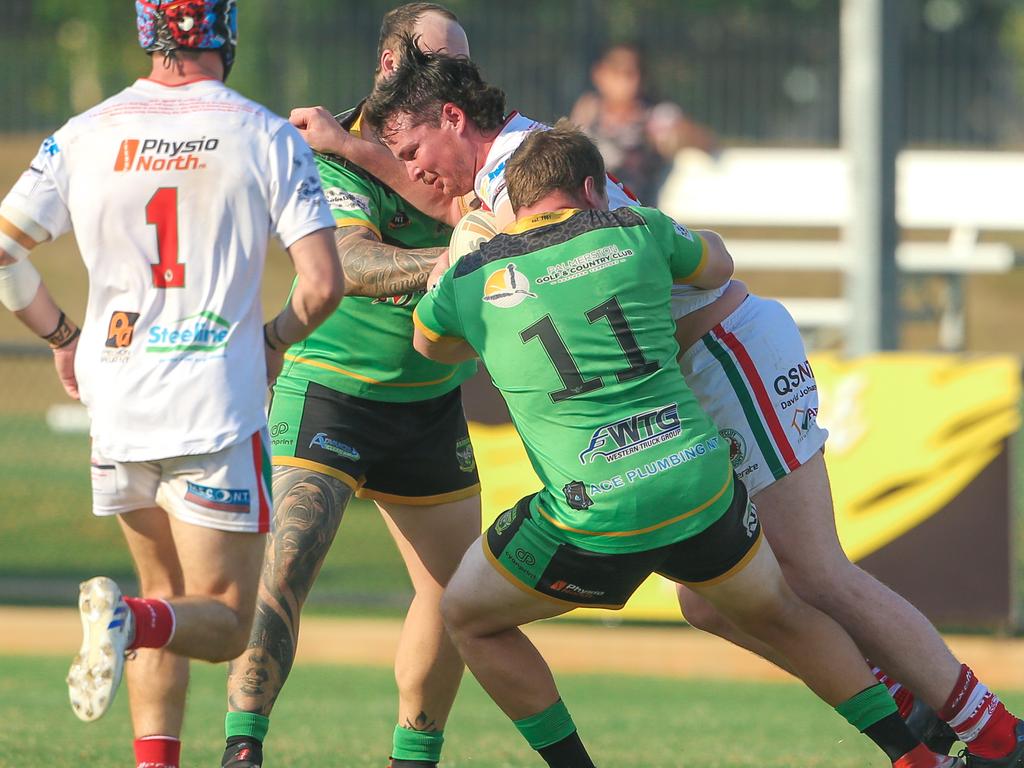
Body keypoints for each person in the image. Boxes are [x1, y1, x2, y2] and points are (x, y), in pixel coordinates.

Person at [360, 41, 1024, 768]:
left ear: (454, 117)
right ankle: (901, 706)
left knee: (816, 572)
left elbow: (654, 266)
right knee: (707, 603)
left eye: (412, 147)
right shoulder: (511, 173)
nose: (414, 170)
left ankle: (994, 733)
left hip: (723, 355)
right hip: (687, 376)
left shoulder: (525, 171)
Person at [0, 2, 344, 768]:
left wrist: (63, 336)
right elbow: (324, 286)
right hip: (213, 402)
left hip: (116, 396)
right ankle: (123, 617)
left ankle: (134, 647)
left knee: (164, 598)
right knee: (220, 622)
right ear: (226, 31)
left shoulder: (86, 132)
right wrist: (273, 340)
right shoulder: (262, 133)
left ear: (145, 31)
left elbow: (3, 247)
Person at [220, 6, 481, 768]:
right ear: (388, 65)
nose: (452, 81)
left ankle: (414, 756)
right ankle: (242, 749)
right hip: (330, 390)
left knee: (457, 598)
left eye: (461, 68)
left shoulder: (467, 142)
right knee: (285, 573)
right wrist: (450, 267)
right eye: (436, 62)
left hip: (430, 403)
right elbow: (353, 266)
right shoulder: (321, 149)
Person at [569, 42, 717, 207]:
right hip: (593, 217)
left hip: (638, 221)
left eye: (634, 73)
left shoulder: (655, 115)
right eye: (619, 72)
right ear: (600, 74)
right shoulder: (589, 110)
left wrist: (679, 135)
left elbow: (705, 140)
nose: (629, 81)